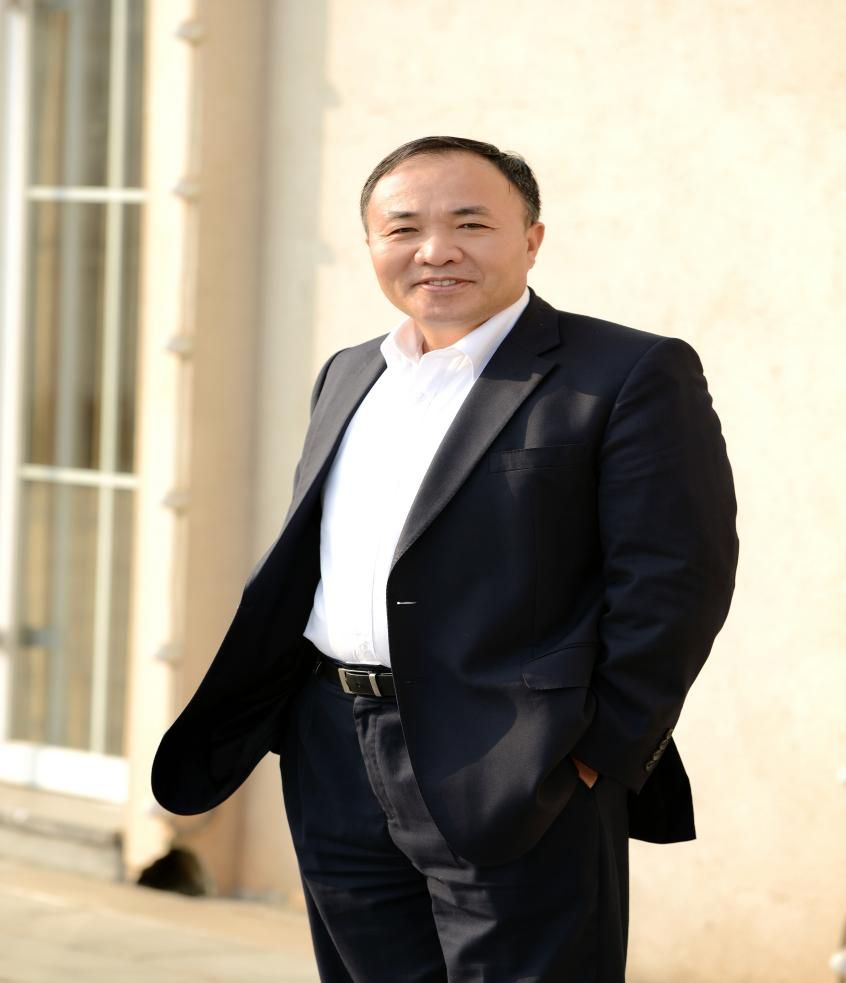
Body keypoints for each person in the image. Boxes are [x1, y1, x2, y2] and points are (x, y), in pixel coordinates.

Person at [152, 136, 738, 981]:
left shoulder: (627, 372)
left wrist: (596, 752)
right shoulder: (350, 373)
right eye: (403, 228)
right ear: (370, 244)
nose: (435, 250)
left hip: (520, 763)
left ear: (531, 239)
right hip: (332, 750)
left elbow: (676, 582)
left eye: (471, 223)